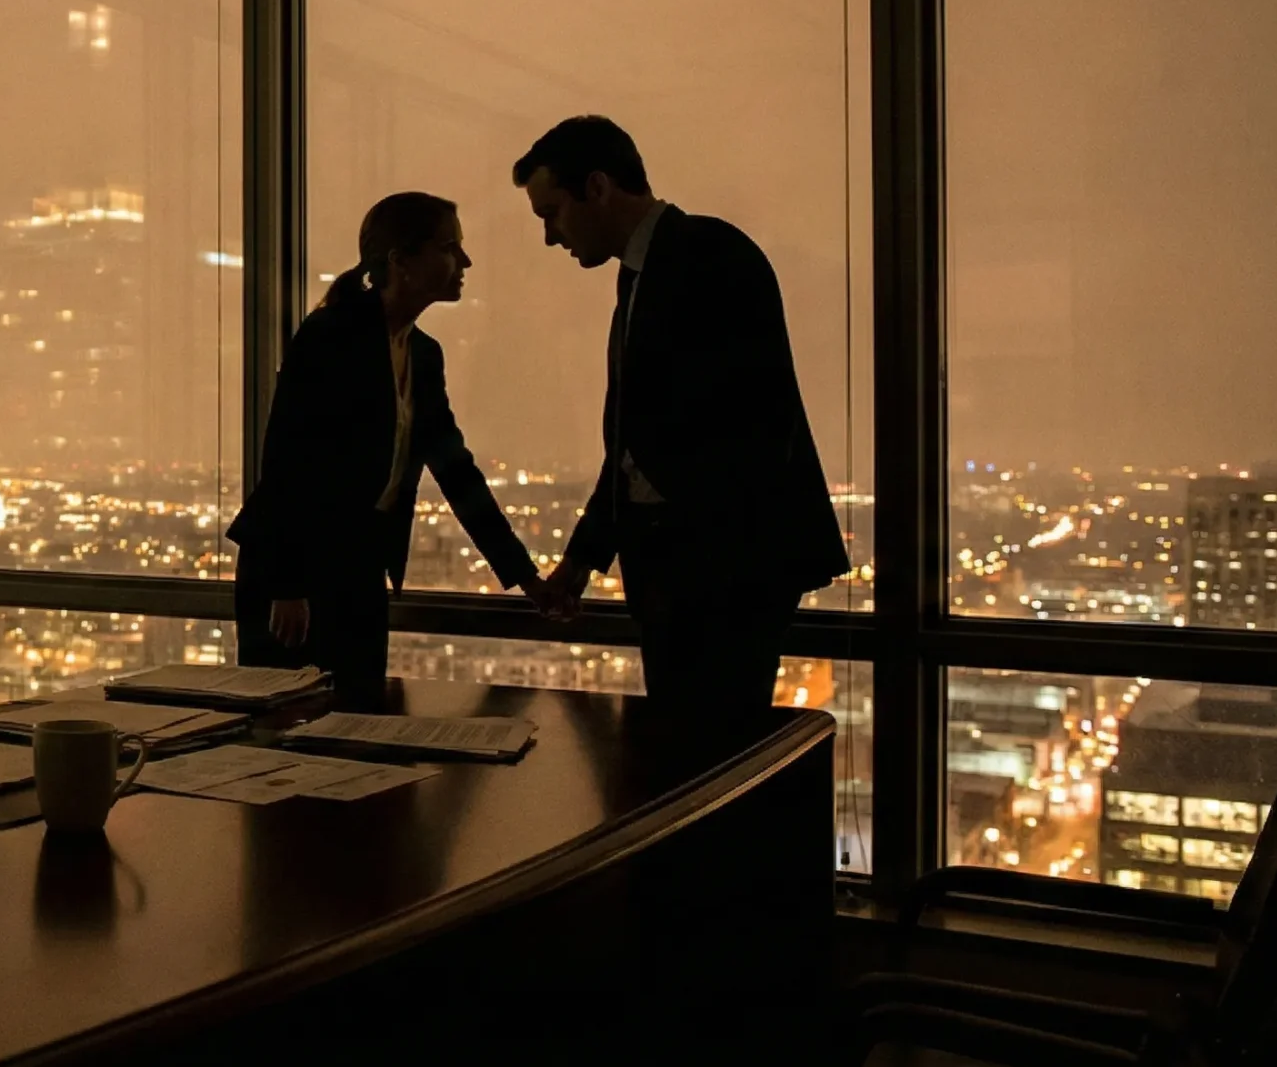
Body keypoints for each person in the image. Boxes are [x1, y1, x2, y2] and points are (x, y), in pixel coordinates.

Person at [515, 115, 848, 723]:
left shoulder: (705, 256)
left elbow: (738, 430)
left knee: (703, 753)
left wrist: (662, 554)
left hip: (717, 576)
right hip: (706, 573)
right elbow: (640, 444)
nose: (549, 236)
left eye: (550, 213)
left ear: (597, 187)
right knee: (701, 755)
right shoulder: (659, 269)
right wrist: (587, 557)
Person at [228, 191, 554, 712]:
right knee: (290, 741)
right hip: (296, 577)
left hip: (357, 570)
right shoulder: (330, 336)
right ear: (401, 261)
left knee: (356, 726)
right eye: (450, 247)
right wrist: (287, 585)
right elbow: (288, 459)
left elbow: (456, 471)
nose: (464, 262)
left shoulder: (422, 355)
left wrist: (524, 575)